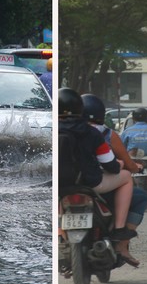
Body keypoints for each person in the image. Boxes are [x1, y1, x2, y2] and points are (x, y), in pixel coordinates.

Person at [58, 88, 137, 246]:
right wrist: (119, 165)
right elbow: (110, 165)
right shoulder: (93, 133)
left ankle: (59, 233)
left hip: (61, 185)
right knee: (127, 177)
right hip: (91, 182)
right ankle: (119, 228)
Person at [82, 93, 147, 267]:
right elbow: (120, 164)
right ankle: (122, 243)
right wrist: (129, 167)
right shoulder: (105, 134)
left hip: (69, 182)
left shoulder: (63, 129)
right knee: (139, 196)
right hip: (98, 182)